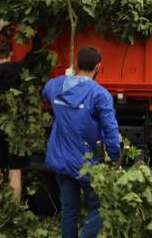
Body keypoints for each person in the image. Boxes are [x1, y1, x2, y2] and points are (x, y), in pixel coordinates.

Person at [41, 47, 120, 238]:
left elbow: (44, 93)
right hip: (88, 163)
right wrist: (115, 157)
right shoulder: (100, 94)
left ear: (76, 64)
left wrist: (66, 79)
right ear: (98, 66)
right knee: (100, 207)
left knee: (69, 209)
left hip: (61, 159)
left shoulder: (56, 85)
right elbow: (110, 130)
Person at [0, 19, 41, 201]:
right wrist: (35, 33)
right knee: (15, 172)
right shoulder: (17, 70)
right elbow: (34, 54)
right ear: (11, 53)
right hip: (15, 127)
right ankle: (12, 212)